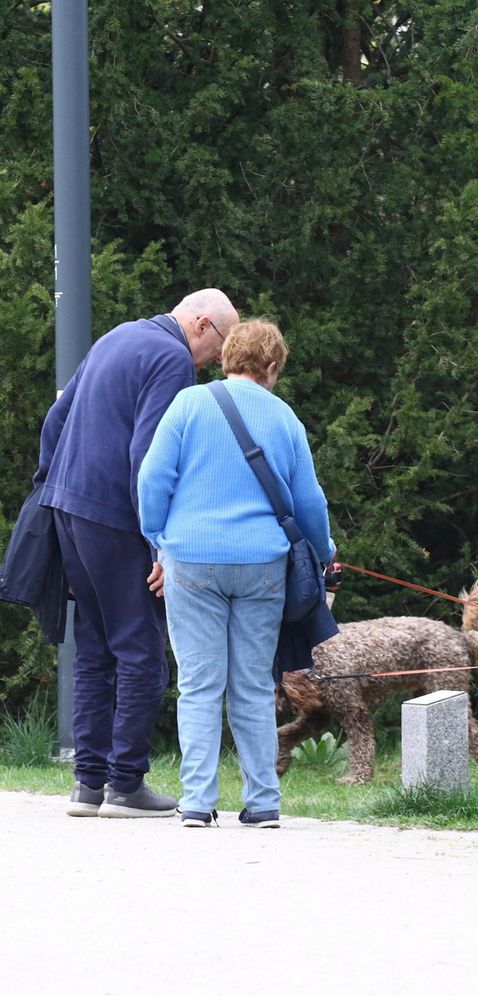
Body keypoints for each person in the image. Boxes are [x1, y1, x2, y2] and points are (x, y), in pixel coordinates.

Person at [36, 289, 239, 818]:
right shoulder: (171, 358)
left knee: (96, 647)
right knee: (142, 651)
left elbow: (56, 420)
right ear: (201, 324)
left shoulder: (118, 336)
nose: (215, 363)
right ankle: (125, 785)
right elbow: (147, 458)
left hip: (68, 507)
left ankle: (88, 786)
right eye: (217, 351)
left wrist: (49, 490)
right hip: (114, 517)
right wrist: (160, 546)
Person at [137, 319, 334, 828]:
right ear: (271, 368)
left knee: (200, 684)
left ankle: (198, 803)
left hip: (192, 560)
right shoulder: (285, 417)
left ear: (225, 359)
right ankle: (264, 801)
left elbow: (152, 476)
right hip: (261, 565)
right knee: (251, 683)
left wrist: (157, 538)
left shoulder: (188, 404)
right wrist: (324, 550)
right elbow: (310, 502)